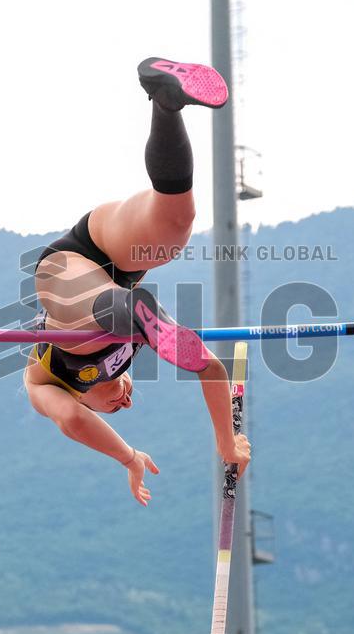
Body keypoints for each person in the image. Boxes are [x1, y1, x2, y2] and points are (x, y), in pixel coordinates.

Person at [23, 57, 252, 507]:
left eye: (113, 408)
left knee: (80, 341)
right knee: (175, 223)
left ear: (90, 402)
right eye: (127, 400)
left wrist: (128, 457)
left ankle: (136, 312)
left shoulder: (47, 384)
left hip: (66, 276)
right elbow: (211, 368)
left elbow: (71, 422)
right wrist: (225, 443)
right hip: (119, 268)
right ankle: (166, 102)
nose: (125, 402)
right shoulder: (148, 347)